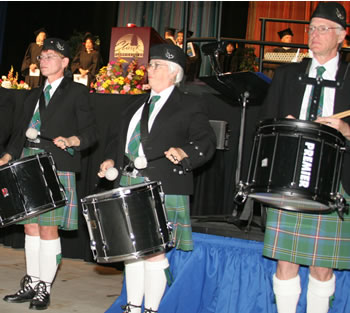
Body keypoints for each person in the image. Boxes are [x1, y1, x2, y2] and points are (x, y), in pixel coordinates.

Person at [98, 43, 216, 313]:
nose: (148, 69)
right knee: (132, 250)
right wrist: (110, 159)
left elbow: (206, 140)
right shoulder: (134, 103)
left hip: (163, 184)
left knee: (153, 252)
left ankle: (150, 309)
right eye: (150, 65)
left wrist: (185, 151)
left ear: (173, 73)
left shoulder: (189, 104)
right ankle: (132, 306)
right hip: (128, 181)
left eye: (155, 66)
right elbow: (117, 140)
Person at [260, 3, 350, 313]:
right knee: (286, 262)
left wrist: (345, 129)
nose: (315, 34)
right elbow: (265, 126)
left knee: (322, 268)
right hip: (290, 177)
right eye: (312, 28)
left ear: (341, 36)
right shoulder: (287, 74)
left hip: (336, 178)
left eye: (323, 29)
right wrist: (283, 128)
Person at [0, 38, 97, 310]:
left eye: (50, 56)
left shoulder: (77, 92)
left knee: (48, 229)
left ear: (65, 62)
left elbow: (91, 131)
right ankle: (31, 281)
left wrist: (74, 140)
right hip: (27, 161)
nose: (43, 61)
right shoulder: (32, 93)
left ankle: (45, 286)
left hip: (55, 163)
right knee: (29, 227)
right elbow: (19, 132)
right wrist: (7, 156)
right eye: (41, 57)